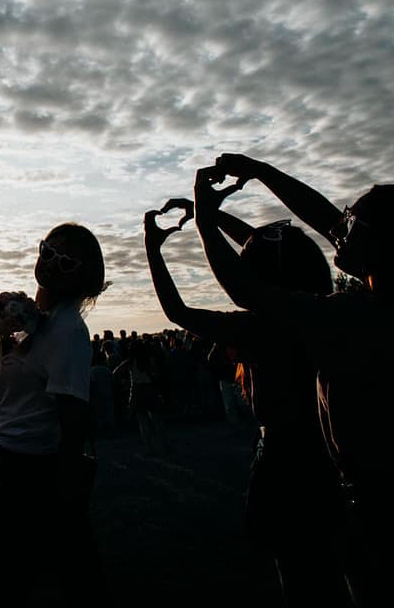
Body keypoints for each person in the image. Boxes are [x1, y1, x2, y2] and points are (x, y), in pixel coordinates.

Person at [194, 155, 394, 607]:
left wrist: (206, 222)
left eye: (353, 223)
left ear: (380, 244)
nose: (340, 226)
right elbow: (323, 217)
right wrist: (259, 171)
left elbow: (247, 288)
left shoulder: (356, 317)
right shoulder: (374, 298)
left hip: (376, 501)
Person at [145, 196, 350, 605]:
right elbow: (270, 256)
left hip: (284, 458)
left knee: (296, 570)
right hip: (328, 453)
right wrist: (207, 214)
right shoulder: (324, 314)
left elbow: (175, 310)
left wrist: (153, 247)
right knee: (332, 567)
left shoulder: (258, 329)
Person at [0, 222, 110, 606]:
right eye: (48, 251)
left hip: (34, 465)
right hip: (8, 453)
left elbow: (73, 417)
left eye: (67, 262)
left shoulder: (68, 330)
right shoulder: (38, 318)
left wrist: (63, 487)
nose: (52, 263)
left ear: (85, 276)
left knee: (29, 571)